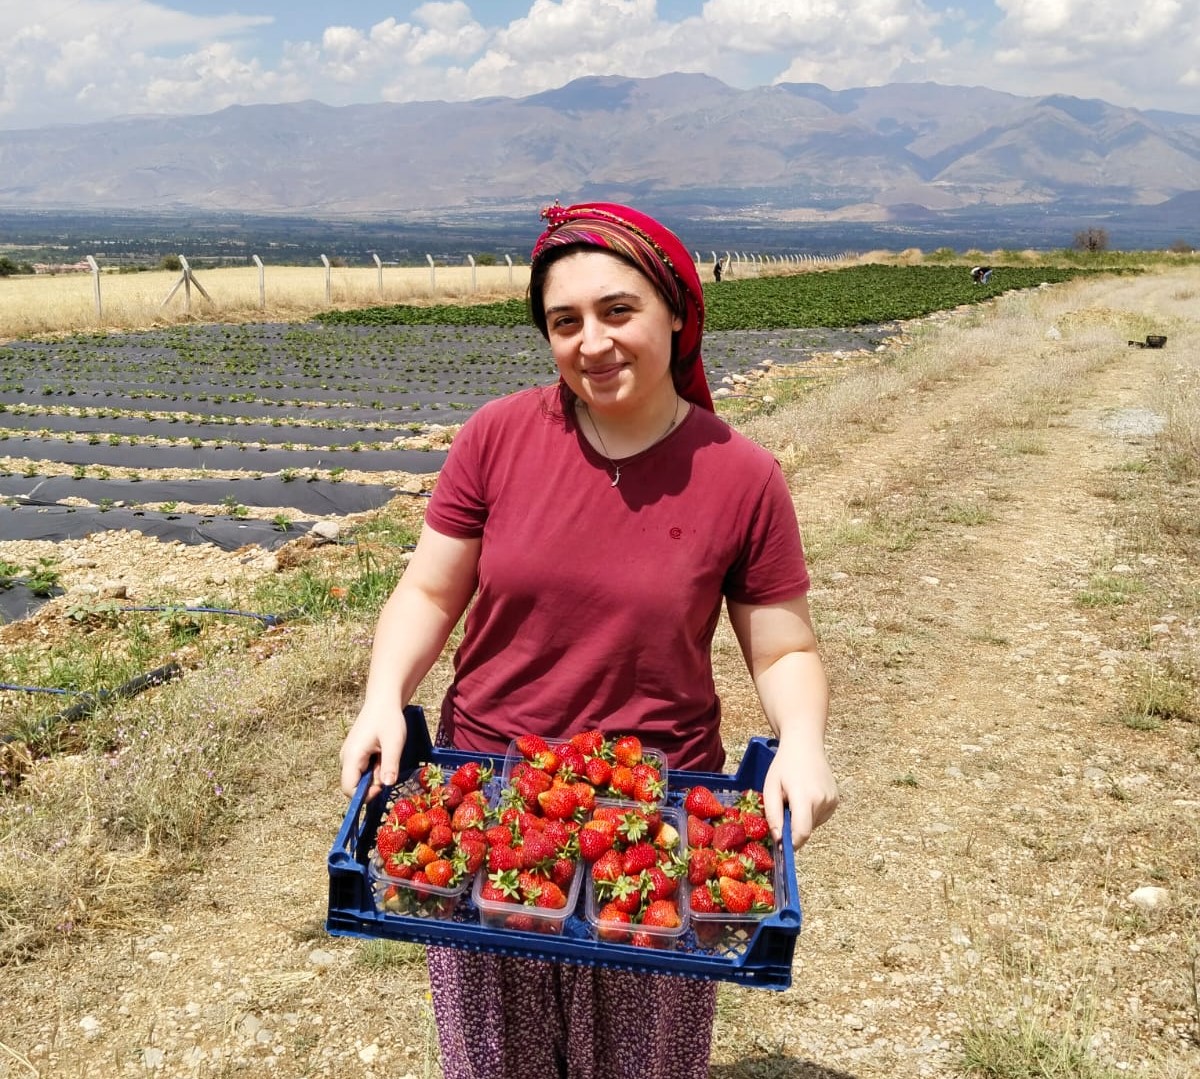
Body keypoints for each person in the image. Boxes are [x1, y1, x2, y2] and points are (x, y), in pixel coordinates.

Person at [339, 200, 838, 1079]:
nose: (592, 343)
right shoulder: (498, 437)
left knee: (639, 1060)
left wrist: (803, 741)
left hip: (660, 806)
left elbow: (783, 647)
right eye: (564, 322)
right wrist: (384, 695)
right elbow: (427, 588)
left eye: (618, 310)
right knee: (499, 1054)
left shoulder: (741, 474)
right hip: (490, 796)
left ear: (677, 311)